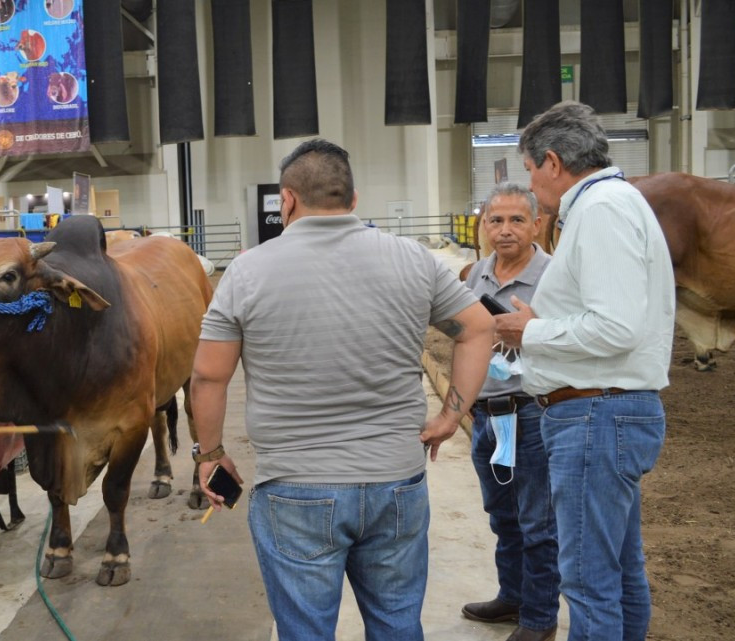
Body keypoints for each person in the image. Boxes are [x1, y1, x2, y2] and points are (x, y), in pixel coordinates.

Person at [190, 139, 494, 641]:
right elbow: (478, 329)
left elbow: (208, 376)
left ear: (287, 200)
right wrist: (449, 416)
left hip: (295, 489)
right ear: (353, 199)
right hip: (396, 482)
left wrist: (210, 453)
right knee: (397, 625)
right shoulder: (412, 259)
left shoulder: (247, 271)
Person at [494, 102, 675, 641]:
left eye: (530, 169)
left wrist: (531, 331)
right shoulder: (614, 203)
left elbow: (615, 327)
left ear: (552, 162)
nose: (532, 184)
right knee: (617, 569)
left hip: (596, 413)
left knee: (589, 579)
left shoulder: (601, 210)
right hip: (606, 409)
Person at [461, 183, 559, 641]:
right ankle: (512, 596)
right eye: (495, 220)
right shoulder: (475, 275)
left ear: (536, 224)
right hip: (487, 413)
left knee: (538, 520)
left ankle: (539, 617)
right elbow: (462, 336)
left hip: (532, 412)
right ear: (484, 225)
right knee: (502, 515)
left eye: (517, 220)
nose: (505, 230)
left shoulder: (554, 276)